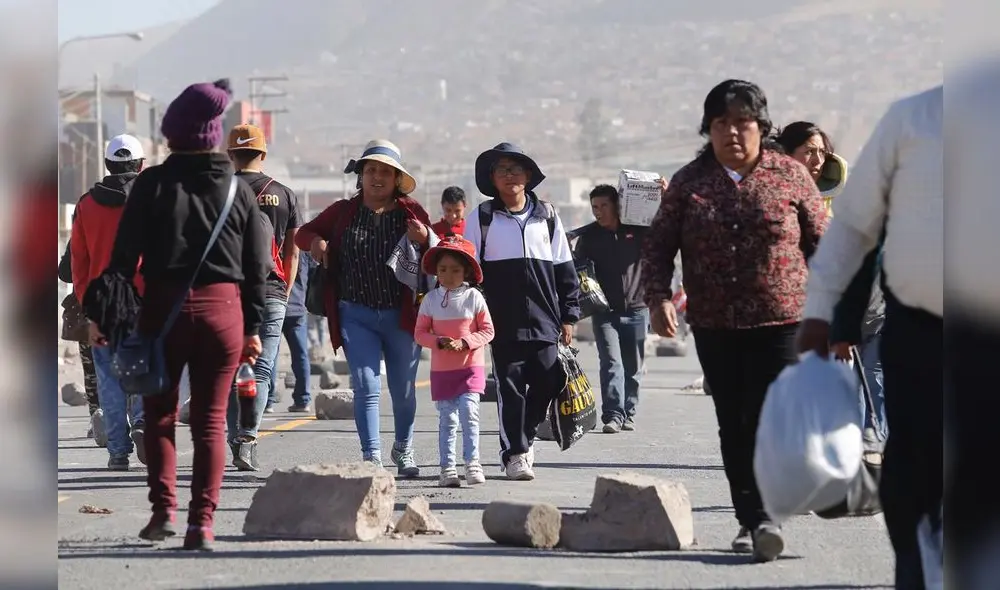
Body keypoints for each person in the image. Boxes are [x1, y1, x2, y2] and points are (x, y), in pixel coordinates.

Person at [641, 79, 828, 562]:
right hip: (715, 322)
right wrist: (659, 297)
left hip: (784, 319)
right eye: (721, 124)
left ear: (761, 127)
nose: (732, 133)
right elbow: (658, 248)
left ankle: (787, 496)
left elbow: (826, 247)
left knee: (774, 418)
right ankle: (755, 520)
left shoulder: (789, 175)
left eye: (743, 122)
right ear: (708, 130)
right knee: (735, 421)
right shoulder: (689, 183)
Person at [84, 79, 271, 551]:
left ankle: (163, 512)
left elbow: (122, 263)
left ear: (175, 134)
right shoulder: (236, 189)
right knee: (210, 421)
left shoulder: (151, 184)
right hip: (223, 314)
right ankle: (201, 524)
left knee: (160, 415)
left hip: (163, 311)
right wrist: (251, 328)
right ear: (211, 134)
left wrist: (106, 317)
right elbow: (257, 269)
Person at [796, 85, 942, 589]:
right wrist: (837, 322)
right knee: (912, 464)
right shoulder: (912, 124)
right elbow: (862, 240)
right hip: (916, 328)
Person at [294, 139, 432, 475]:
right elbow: (302, 233)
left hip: (402, 317)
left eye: (385, 171)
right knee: (365, 386)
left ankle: (404, 448)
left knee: (402, 391)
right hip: (355, 314)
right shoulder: (342, 212)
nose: (377, 177)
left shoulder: (412, 213)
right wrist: (316, 242)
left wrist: (425, 238)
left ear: (397, 178)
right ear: (361, 176)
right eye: (370, 170)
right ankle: (371, 457)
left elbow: (437, 254)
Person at [463, 142, 580, 481]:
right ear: (493, 179)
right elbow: (468, 269)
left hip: (546, 318)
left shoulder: (548, 216)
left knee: (551, 377)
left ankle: (525, 434)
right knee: (510, 387)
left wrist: (569, 315)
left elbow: (565, 269)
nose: (510, 175)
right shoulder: (482, 219)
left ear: (528, 176)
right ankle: (514, 453)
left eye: (516, 169)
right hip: (502, 320)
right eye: (502, 170)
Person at [777, 122, 887, 443]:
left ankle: (871, 444)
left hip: (862, 304)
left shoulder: (846, 198)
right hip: (804, 309)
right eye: (809, 151)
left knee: (871, 380)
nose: (817, 159)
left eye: (822, 152)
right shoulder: (772, 197)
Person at [224, 123, 300, 470]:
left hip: (227, 292)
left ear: (230, 154)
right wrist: (283, 290)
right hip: (271, 289)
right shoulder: (283, 194)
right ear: (263, 154)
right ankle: (248, 436)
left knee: (228, 368)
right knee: (263, 368)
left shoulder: (218, 192)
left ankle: (233, 434)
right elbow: (293, 252)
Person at [71, 134, 147, 470]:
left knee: (108, 379)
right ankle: (144, 422)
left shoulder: (86, 205)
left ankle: (118, 452)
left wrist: (88, 303)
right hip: (144, 301)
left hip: (102, 305)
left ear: (107, 165)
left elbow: (79, 262)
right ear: (141, 166)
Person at [414, 235, 495, 487]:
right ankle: (447, 468)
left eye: (455, 270)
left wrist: (466, 342)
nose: (448, 276)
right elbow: (419, 334)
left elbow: (488, 331)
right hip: (442, 372)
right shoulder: (430, 300)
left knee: (470, 414)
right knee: (447, 419)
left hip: (470, 369)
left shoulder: (474, 298)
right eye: (443, 270)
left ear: (467, 271)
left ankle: (473, 463)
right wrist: (438, 341)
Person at [571, 184, 649, 433]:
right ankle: (613, 415)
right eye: (595, 207)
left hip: (637, 309)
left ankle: (630, 411)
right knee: (611, 362)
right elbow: (577, 272)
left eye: (604, 205)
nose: (599, 212)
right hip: (604, 313)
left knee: (633, 367)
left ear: (617, 205)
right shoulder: (589, 237)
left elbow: (665, 227)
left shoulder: (637, 231)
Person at [59, 224, 103, 444]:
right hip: (126, 306)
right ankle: (129, 419)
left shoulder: (82, 231)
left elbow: (65, 272)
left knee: (92, 370)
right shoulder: (129, 222)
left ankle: (98, 418)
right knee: (124, 366)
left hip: (89, 309)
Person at [775, 121, 848, 214]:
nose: (818, 161)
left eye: (822, 152)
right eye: (809, 152)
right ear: (787, 155)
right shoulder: (767, 197)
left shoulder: (840, 203)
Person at [277, 250, 316, 413]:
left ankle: (268, 399)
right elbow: (314, 276)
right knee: (300, 354)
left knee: (271, 354)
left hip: (275, 303)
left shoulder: (275, 244)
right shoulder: (303, 250)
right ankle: (303, 399)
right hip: (298, 307)